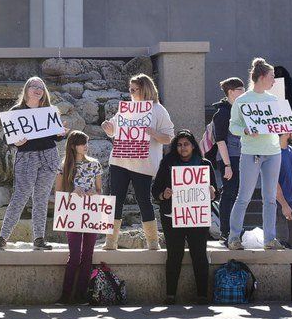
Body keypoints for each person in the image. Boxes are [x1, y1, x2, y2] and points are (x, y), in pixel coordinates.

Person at [227, 58, 292, 251]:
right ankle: (234, 237)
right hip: (251, 152)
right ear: (261, 77)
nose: (274, 81)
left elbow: (283, 124)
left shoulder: (274, 100)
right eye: (271, 77)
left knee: (270, 198)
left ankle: (270, 239)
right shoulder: (242, 101)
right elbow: (233, 126)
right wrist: (245, 130)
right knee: (244, 196)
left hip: (273, 152)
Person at [0, 77, 67, 251]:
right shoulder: (16, 111)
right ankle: (3, 238)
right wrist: (15, 142)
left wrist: (62, 133)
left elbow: (56, 136)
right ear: (26, 90)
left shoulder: (49, 110)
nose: (38, 89)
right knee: (21, 195)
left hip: (49, 156)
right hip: (26, 158)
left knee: (41, 197)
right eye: (34, 86)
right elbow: (7, 138)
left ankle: (39, 238)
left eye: (41, 87)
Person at [101, 74, 174, 251]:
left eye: (134, 89)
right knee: (115, 200)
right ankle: (110, 242)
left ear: (145, 89)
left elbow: (169, 137)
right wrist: (108, 128)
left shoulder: (158, 110)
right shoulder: (126, 109)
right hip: (119, 161)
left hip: (144, 164)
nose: (131, 92)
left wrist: (153, 133)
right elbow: (113, 130)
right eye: (130, 89)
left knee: (144, 201)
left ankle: (152, 242)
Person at [152, 130, 218, 304]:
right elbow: (155, 190)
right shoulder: (167, 163)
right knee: (174, 255)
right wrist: (163, 195)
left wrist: (213, 192)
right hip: (172, 217)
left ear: (193, 146)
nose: (183, 148)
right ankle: (170, 295)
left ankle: (203, 296)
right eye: (179, 145)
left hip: (197, 217)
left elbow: (215, 192)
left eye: (186, 144)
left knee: (199, 254)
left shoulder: (205, 164)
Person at [55, 131, 103, 304]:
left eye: (86, 142)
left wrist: (93, 193)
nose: (86, 145)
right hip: (73, 214)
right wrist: (72, 192)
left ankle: (81, 296)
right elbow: (58, 193)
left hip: (91, 213)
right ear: (74, 146)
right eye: (82, 143)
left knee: (88, 255)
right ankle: (65, 295)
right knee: (75, 255)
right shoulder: (64, 166)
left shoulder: (95, 164)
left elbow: (99, 191)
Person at [212, 77, 244, 242]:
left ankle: (236, 229)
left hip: (240, 156)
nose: (243, 92)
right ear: (231, 92)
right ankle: (225, 230)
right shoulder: (223, 113)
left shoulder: (240, 110)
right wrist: (227, 165)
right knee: (229, 193)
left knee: (238, 194)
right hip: (228, 158)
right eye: (240, 90)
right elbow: (220, 140)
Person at [275, 129, 292, 250]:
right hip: (279, 205)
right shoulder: (274, 153)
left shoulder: (290, 150)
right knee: (282, 245)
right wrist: (284, 205)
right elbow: (273, 182)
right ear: (286, 132)